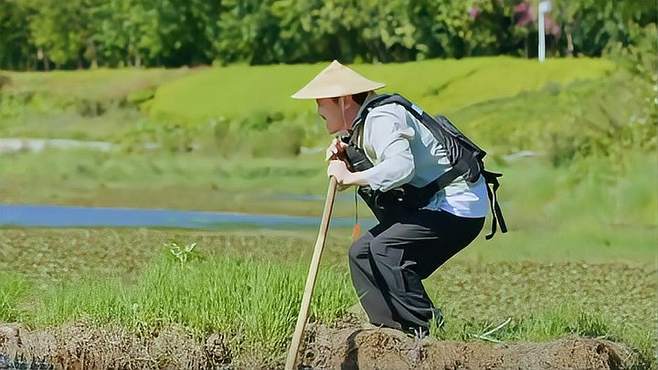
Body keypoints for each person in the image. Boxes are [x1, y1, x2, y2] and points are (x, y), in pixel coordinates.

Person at [291, 60, 495, 336]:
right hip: (435, 205)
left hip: (458, 206)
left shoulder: (382, 118)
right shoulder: (365, 123)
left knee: (386, 250)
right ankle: (388, 330)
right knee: (360, 253)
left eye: (320, 102)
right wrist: (346, 153)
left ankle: (430, 330)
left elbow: (401, 168)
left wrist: (348, 178)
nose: (318, 111)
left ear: (344, 101)